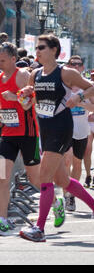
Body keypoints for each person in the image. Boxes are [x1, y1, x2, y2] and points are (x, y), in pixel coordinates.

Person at [19, 34, 94, 242]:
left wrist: (78, 97)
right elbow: (27, 104)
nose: (37, 51)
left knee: (44, 177)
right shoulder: (35, 74)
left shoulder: (65, 72)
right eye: (36, 48)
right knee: (62, 180)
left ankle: (39, 229)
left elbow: (93, 87)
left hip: (61, 128)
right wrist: (25, 95)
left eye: (41, 47)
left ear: (53, 50)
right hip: (46, 130)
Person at [0, 42, 40, 235]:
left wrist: (14, 97)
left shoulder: (23, 75)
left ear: (13, 59)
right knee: (2, 177)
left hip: (27, 133)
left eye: (2, 60)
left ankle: (55, 200)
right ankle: (3, 219)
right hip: (7, 134)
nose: (0, 63)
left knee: (36, 179)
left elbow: (31, 101)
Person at [64, 56, 94, 211]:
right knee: (67, 160)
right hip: (64, 129)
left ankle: (71, 194)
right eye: (73, 64)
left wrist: (81, 103)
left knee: (77, 163)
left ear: (82, 67)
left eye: (79, 64)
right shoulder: (62, 84)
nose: (76, 66)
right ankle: (66, 195)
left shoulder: (89, 86)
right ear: (68, 66)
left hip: (82, 129)